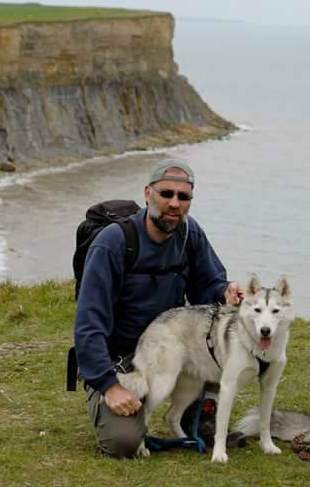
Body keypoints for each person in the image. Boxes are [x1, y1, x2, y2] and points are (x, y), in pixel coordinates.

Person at [73, 158, 243, 458]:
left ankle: (201, 413)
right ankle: (117, 406)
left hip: (172, 346)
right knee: (123, 442)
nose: (174, 204)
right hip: (120, 359)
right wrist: (109, 386)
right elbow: (88, 326)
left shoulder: (190, 234)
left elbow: (209, 287)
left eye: (184, 197)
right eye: (166, 194)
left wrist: (225, 292)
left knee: (227, 334)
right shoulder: (112, 243)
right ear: (148, 193)